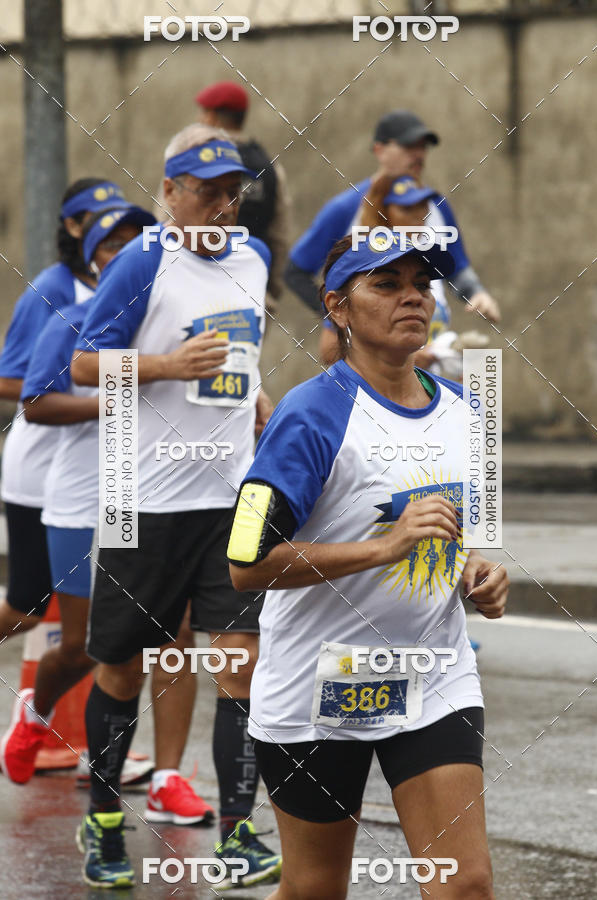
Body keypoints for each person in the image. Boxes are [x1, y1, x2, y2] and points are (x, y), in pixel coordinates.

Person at [228, 234, 509, 899]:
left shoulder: (466, 413)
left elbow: (454, 535)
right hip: (317, 686)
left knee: (465, 885)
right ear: (338, 307)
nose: (412, 295)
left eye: (421, 282)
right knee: (315, 888)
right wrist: (383, 549)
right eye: (386, 283)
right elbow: (244, 563)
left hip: (432, 672)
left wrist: (478, 573)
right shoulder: (308, 415)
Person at [70, 124, 281, 890]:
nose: (223, 204)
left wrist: (252, 392)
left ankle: (237, 834)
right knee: (122, 668)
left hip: (232, 494)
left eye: (232, 190)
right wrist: (164, 365)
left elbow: (238, 348)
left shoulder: (253, 259)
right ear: (169, 191)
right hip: (142, 496)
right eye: (207, 191)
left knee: (239, 667)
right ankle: (102, 825)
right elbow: (84, 361)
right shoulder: (140, 261)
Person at [0, 206, 168, 794]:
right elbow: (36, 403)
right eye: (112, 246)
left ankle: (121, 771)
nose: (126, 255)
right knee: (77, 645)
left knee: (133, 643)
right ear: (95, 260)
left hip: (139, 495)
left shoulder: (166, 322)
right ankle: (32, 717)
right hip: (73, 498)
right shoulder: (69, 319)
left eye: (137, 244)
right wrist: (119, 395)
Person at [0, 179, 129, 646]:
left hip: (100, 472)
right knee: (28, 607)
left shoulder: (129, 287)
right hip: (41, 464)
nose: (120, 240)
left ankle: (45, 712)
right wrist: (99, 400)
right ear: (73, 228)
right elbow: (13, 379)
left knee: (101, 618)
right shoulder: (54, 290)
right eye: (101, 227)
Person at [284, 109, 500, 361]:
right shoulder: (345, 208)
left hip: (434, 349)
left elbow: (455, 266)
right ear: (379, 150)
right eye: (408, 146)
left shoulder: (436, 205)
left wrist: (477, 293)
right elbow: (294, 271)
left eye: (422, 147)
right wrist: (341, 312)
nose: (418, 154)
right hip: (385, 362)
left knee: (485, 374)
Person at [196, 80, 291, 319]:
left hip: (197, 291)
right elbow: (280, 236)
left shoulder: (190, 161)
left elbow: (165, 220)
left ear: (212, 118)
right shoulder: (269, 167)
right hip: (252, 292)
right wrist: (271, 291)